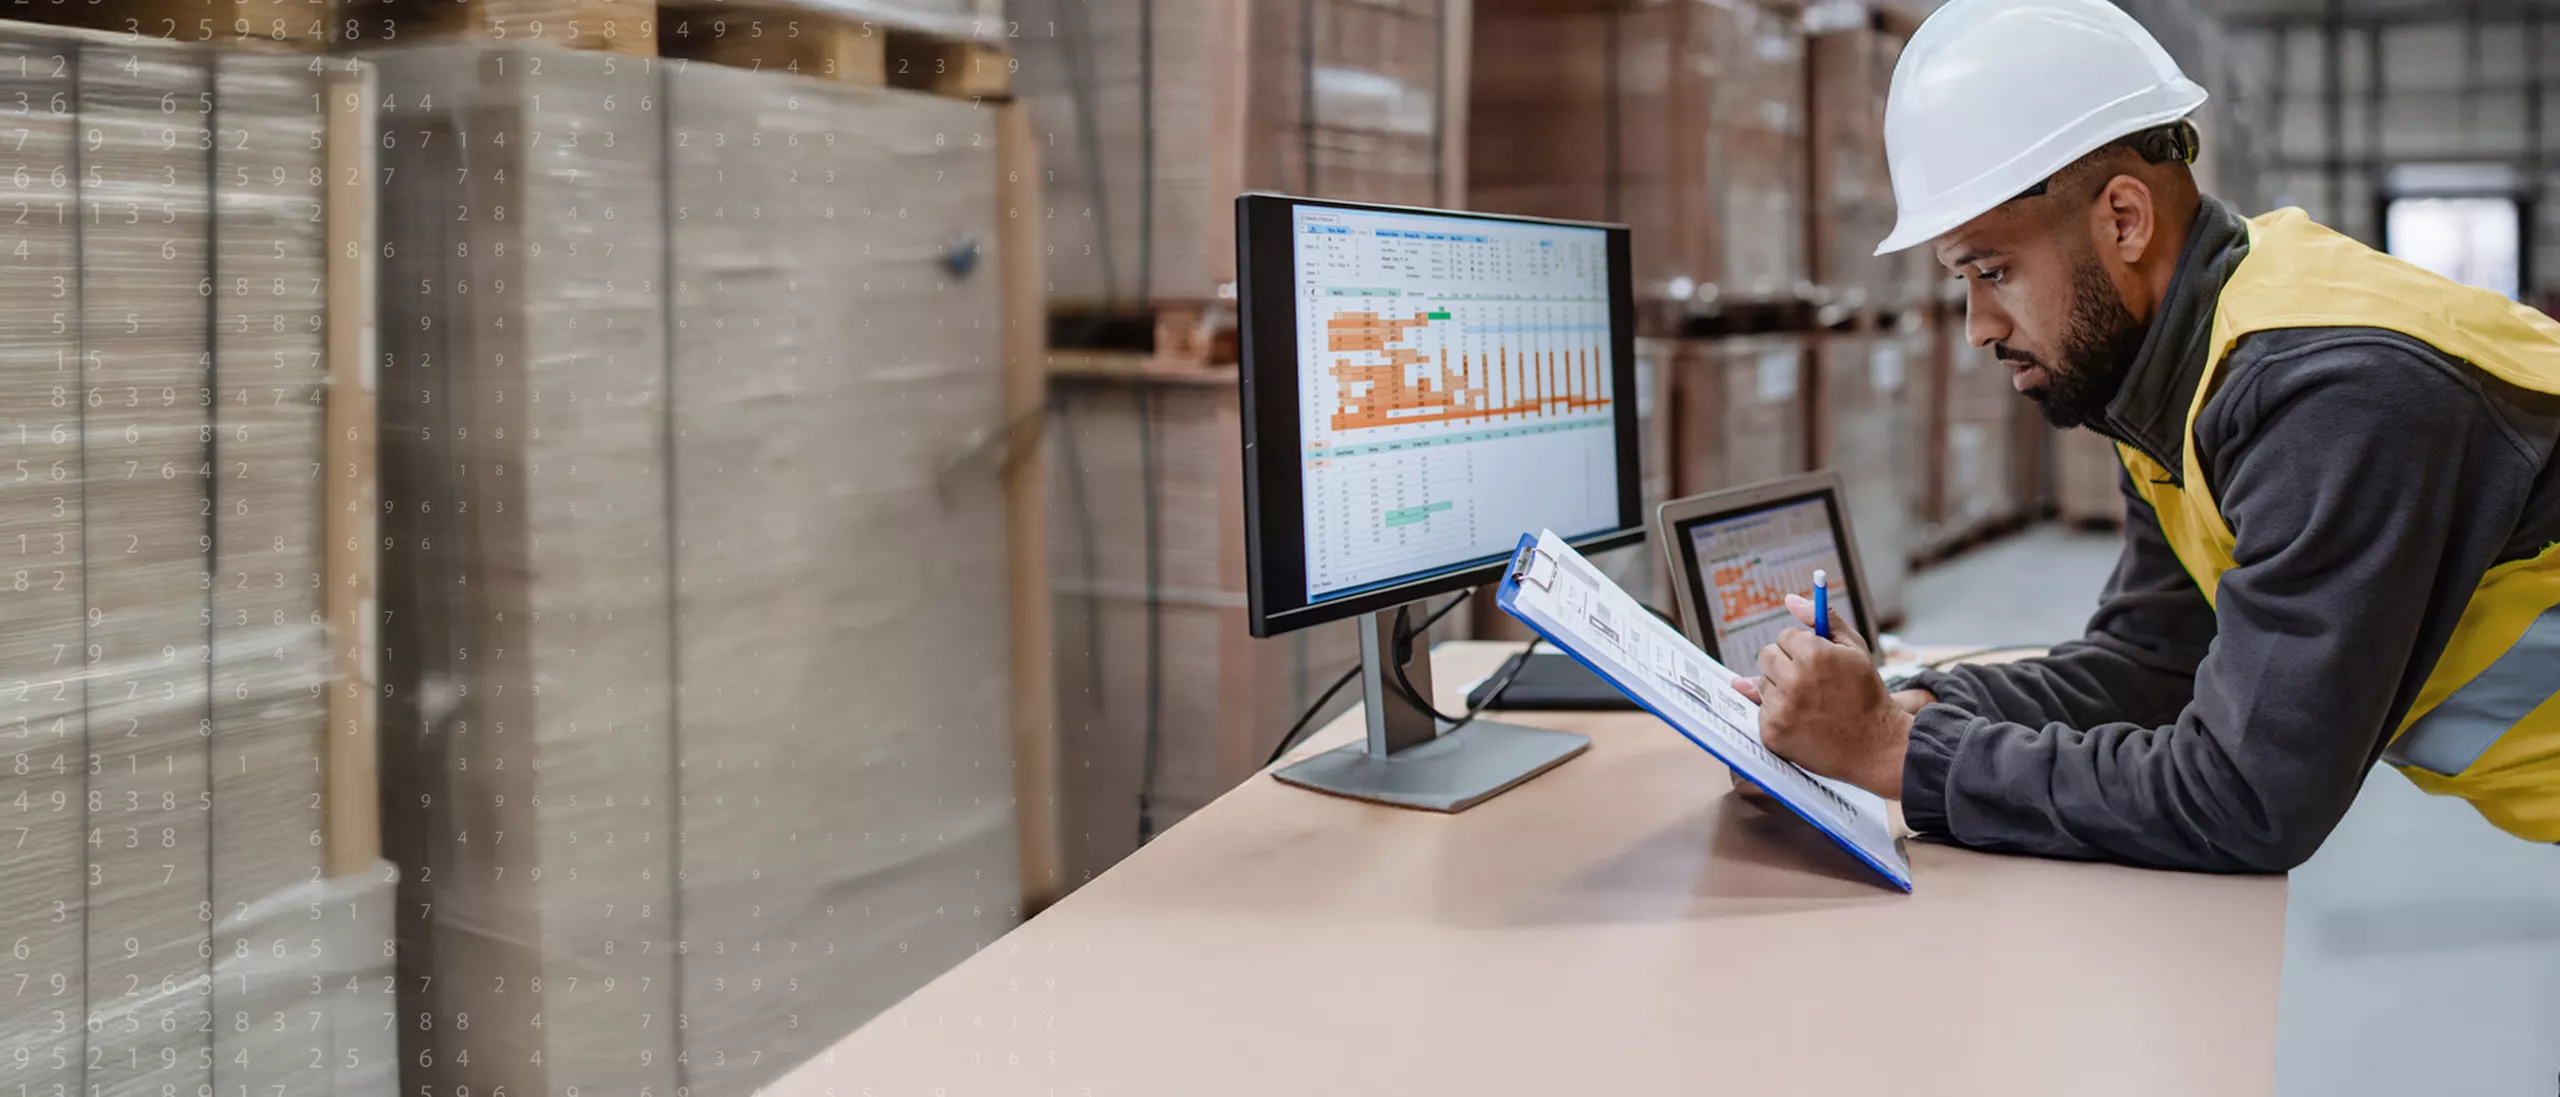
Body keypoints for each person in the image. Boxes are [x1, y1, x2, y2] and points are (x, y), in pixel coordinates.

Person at [1734, 0, 2560, 871]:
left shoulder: (2331, 392)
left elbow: (2245, 798)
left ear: (2123, 218)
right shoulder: (2179, 375)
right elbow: (2157, 665)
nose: (1977, 325)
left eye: (1993, 271)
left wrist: (1894, 756)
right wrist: (1910, 705)